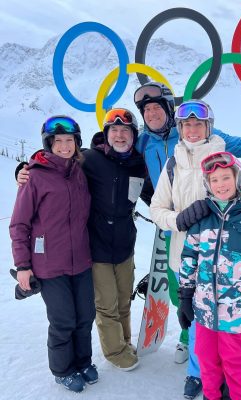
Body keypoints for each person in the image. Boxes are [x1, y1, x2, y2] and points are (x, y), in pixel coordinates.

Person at [16, 108, 153, 372]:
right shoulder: (89, 159)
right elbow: (54, 163)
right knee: (106, 304)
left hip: (125, 244)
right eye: (114, 130)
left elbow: (151, 194)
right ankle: (114, 351)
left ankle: (123, 341)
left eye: (125, 131)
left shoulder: (139, 163)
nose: (120, 135)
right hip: (94, 246)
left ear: (134, 135)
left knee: (124, 299)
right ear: (106, 134)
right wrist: (24, 170)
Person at [134, 82, 241, 366]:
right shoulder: (145, 143)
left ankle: (210, 361)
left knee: (213, 304)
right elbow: (116, 154)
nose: (193, 129)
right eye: (146, 110)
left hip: (216, 248)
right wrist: (176, 219)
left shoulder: (220, 152)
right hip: (175, 235)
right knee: (181, 297)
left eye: (198, 124)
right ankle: (191, 341)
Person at [178, 151, 241, 400]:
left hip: (238, 311)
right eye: (214, 180)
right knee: (206, 359)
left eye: (225, 177)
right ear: (207, 185)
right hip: (204, 308)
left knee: (235, 363)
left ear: (237, 179)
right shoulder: (202, 219)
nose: (220, 185)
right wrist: (184, 294)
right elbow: (189, 256)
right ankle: (211, 396)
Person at [9, 116, 97, 393]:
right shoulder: (34, 176)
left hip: (81, 259)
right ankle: (62, 370)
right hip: (49, 264)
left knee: (85, 316)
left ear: (76, 143)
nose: (64, 146)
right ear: (48, 144)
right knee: (63, 321)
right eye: (57, 141)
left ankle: (83, 362)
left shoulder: (79, 171)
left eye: (69, 140)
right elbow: (19, 224)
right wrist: (23, 265)